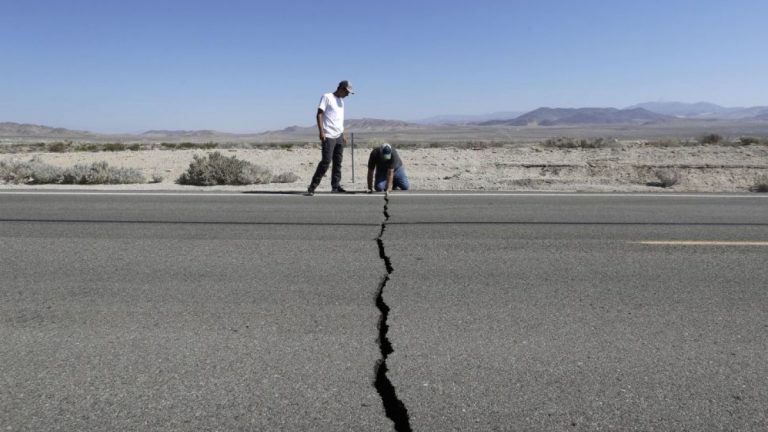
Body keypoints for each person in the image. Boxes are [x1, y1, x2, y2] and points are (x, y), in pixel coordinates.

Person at [307, 80, 354, 195]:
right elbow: (319, 114)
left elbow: (339, 119)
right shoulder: (327, 97)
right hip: (328, 135)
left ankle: (335, 186)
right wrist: (321, 132)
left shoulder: (341, 102)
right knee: (326, 161)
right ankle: (312, 187)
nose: (348, 94)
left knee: (338, 162)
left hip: (339, 136)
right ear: (341, 88)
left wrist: (343, 134)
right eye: (347, 92)